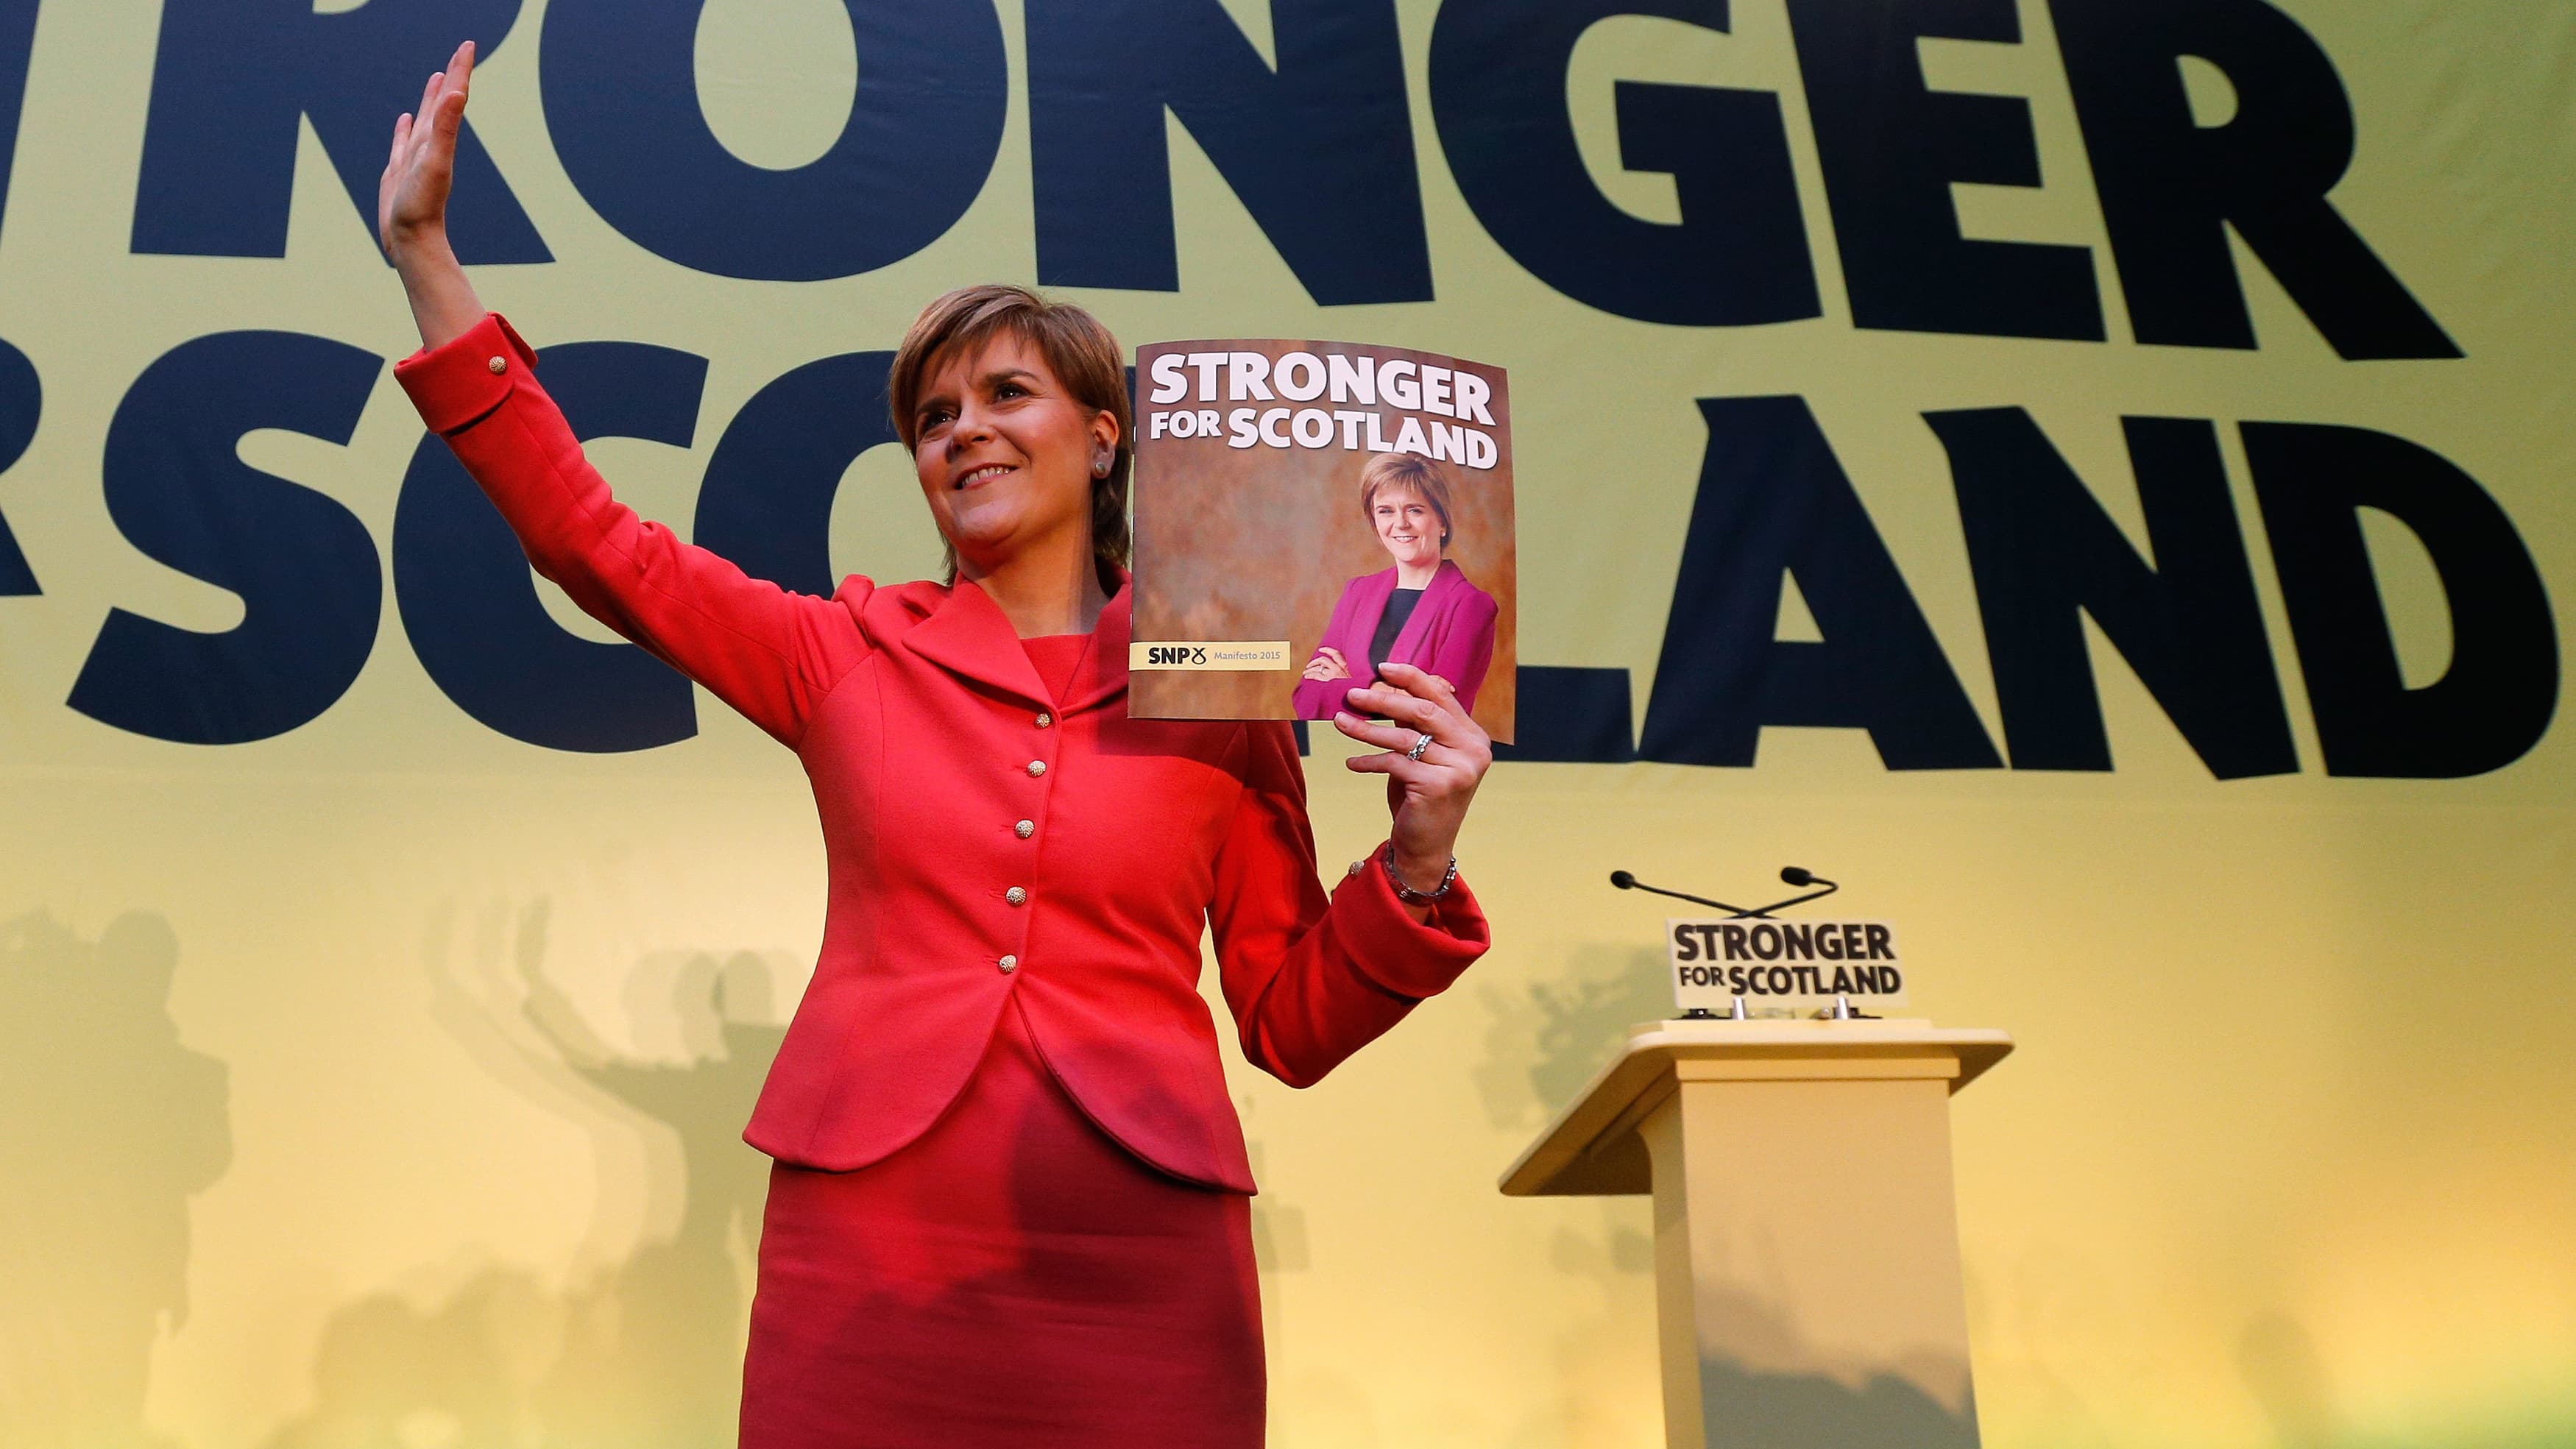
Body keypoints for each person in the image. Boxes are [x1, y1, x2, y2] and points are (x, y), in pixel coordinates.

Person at [378, 42, 1492, 1449]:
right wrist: (426, 257)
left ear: (1104, 437)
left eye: (1007, 395)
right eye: (933, 417)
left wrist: (1419, 860)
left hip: (1145, 1266)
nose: (965, 431)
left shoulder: (1226, 680)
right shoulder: (845, 648)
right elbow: (594, 544)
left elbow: (1288, 1018)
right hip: (869, 1255)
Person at [1290, 450, 1501, 721]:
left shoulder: (1471, 605)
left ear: (1442, 522)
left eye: (1415, 510)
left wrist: (1346, 684)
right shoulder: (1357, 592)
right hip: (1343, 744)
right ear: (1375, 523)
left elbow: (1434, 712)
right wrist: (1392, 693)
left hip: (1421, 749)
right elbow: (1306, 697)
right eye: (1386, 511)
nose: (1400, 523)